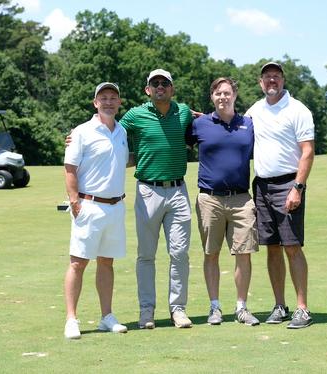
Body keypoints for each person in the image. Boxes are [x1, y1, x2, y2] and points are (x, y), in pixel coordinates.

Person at [120, 69, 194, 329]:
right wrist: (79, 137)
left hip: (178, 191)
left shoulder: (182, 112)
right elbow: (109, 131)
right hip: (147, 191)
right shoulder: (135, 115)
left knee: (180, 253)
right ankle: (146, 311)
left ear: (172, 89)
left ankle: (178, 310)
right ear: (147, 90)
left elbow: (205, 121)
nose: (160, 87)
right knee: (146, 255)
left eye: (165, 83)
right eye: (155, 83)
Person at [246, 62, 315, 329]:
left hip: (289, 184)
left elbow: (307, 151)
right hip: (262, 186)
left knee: (292, 246)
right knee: (272, 248)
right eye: (267, 77)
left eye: (276, 76)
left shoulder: (298, 110)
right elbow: (233, 124)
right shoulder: (255, 110)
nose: (271, 81)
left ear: (283, 80)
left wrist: (297, 187)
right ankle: (280, 306)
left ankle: (302, 309)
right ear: (260, 82)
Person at [186, 77, 260, 326]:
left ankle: (241, 307)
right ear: (212, 97)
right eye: (218, 93)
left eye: (227, 93)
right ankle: (214, 307)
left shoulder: (248, 124)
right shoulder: (200, 124)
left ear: (235, 96)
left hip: (241, 199)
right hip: (210, 199)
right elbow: (173, 139)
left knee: (244, 254)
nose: (223, 97)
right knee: (211, 253)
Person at [63, 82, 130, 339]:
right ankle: (71, 318)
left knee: (106, 262)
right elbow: (70, 167)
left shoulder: (122, 131)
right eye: (104, 98)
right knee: (78, 262)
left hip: (115, 206)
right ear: (95, 103)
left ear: (119, 102)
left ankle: (106, 316)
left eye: (113, 97)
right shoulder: (81, 132)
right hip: (88, 205)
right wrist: (74, 201)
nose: (109, 102)